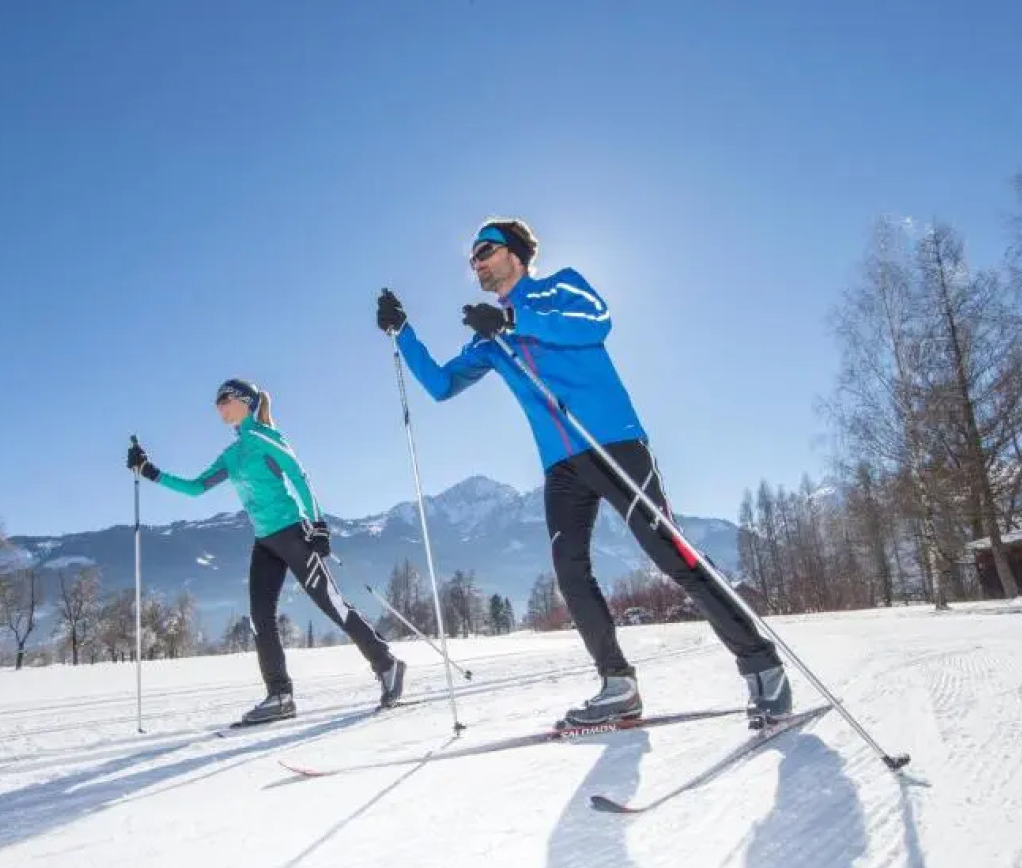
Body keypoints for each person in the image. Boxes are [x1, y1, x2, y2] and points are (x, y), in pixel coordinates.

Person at [374, 218, 793, 729]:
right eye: (471, 259)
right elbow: (441, 385)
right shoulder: (489, 340)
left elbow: (596, 322)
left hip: (612, 440)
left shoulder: (559, 287)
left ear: (517, 253)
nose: (476, 262)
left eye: (485, 250)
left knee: (669, 552)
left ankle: (762, 666)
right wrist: (403, 332)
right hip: (561, 463)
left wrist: (515, 320)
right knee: (570, 571)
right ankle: (618, 685)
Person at [126, 379, 407, 724]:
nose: (217, 406)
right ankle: (279, 695)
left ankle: (388, 665)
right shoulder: (232, 455)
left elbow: (300, 478)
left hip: (293, 533)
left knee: (331, 605)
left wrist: (318, 524)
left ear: (244, 401)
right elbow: (197, 488)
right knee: (260, 618)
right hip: (265, 542)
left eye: (223, 399)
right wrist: (150, 472)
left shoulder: (265, 439)